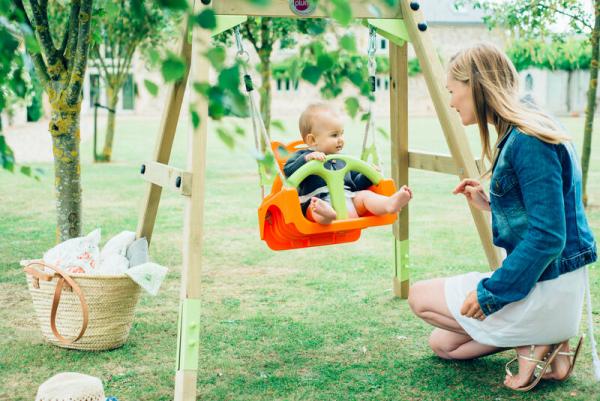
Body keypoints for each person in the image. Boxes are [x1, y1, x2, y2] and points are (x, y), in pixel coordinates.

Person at [407, 43, 598, 391]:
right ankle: (543, 339)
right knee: (443, 345)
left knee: (418, 297)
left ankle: (534, 341)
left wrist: (491, 294)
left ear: (475, 86)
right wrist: (492, 203)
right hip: (551, 283)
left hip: (547, 284)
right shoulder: (528, 123)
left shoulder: (528, 138)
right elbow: (545, 209)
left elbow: (548, 237)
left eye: (453, 91)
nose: (451, 102)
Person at [283, 103, 412, 224]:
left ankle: (389, 204)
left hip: (349, 201)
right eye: (334, 135)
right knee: (315, 208)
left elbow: (356, 184)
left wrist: (367, 176)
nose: (340, 140)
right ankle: (328, 215)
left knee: (365, 196)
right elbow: (288, 172)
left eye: (341, 134)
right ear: (312, 140)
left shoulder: (344, 161)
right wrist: (307, 159)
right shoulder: (303, 156)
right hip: (318, 201)